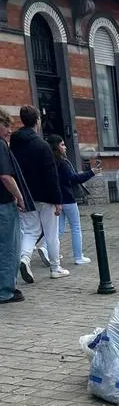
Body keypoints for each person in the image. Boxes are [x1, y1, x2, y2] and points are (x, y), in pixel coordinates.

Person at [10, 104, 68, 282]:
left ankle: (24, 258)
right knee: (51, 232)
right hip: (46, 196)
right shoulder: (42, 146)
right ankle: (55, 267)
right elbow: (52, 175)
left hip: (25, 195)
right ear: (37, 121)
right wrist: (58, 201)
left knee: (30, 231)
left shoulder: (14, 144)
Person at [42, 135, 97, 265]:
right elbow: (74, 179)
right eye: (62, 145)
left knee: (58, 228)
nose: (65, 147)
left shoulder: (48, 162)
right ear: (56, 147)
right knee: (76, 227)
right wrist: (91, 172)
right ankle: (78, 256)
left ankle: (45, 248)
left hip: (56, 199)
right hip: (67, 198)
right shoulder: (63, 163)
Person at [0, 109, 33, 303]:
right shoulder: (1, 146)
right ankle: (6, 290)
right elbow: (5, 176)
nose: (9, 130)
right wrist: (20, 197)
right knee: (8, 247)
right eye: (5, 125)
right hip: (3, 205)